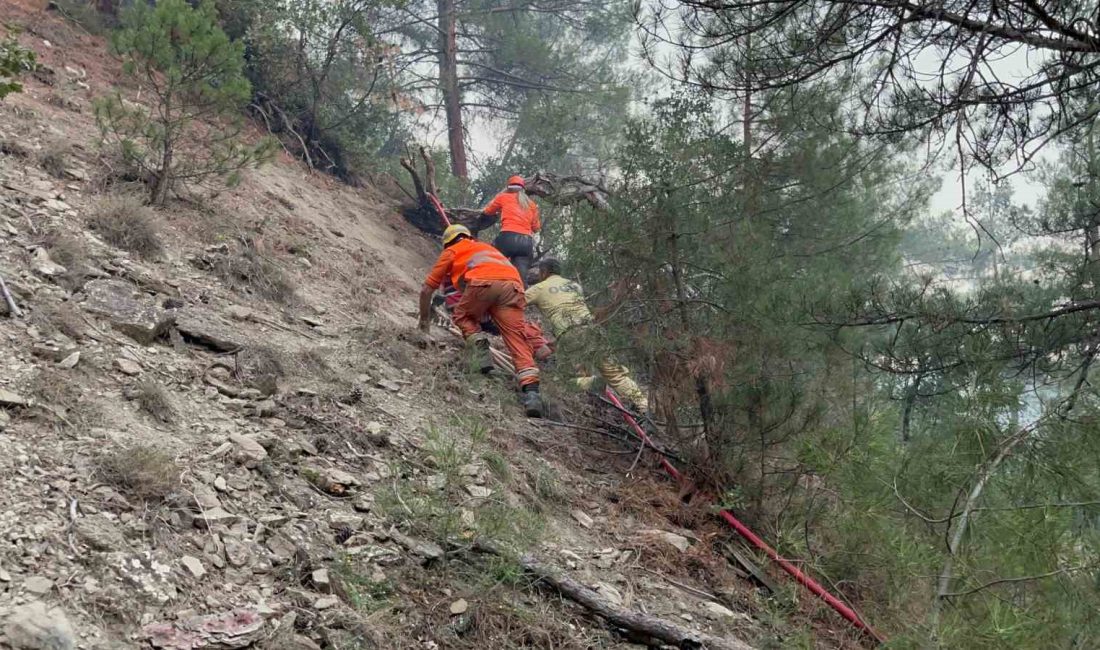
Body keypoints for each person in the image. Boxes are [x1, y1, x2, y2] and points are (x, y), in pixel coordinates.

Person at [418, 224, 544, 417]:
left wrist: (424, 322)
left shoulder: (452, 250)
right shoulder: (487, 248)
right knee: (517, 340)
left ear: (447, 242)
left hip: (483, 283)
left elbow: (427, 290)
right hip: (514, 287)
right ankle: (532, 394)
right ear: (468, 236)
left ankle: (481, 351)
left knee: (463, 315)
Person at [525, 257, 649, 414]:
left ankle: (593, 383)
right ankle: (644, 406)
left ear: (543, 272)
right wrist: (555, 344)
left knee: (566, 381)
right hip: (594, 332)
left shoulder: (539, 288)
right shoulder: (575, 286)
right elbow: (573, 313)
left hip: (571, 335)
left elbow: (513, 301)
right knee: (617, 375)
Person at [481, 175, 539, 284]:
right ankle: (520, 296)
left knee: (492, 264)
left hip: (507, 238)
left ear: (508, 188)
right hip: (526, 243)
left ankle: (490, 288)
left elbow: (487, 211)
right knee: (520, 280)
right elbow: (536, 228)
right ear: (523, 189)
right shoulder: (531, 204)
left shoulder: (503, 197)